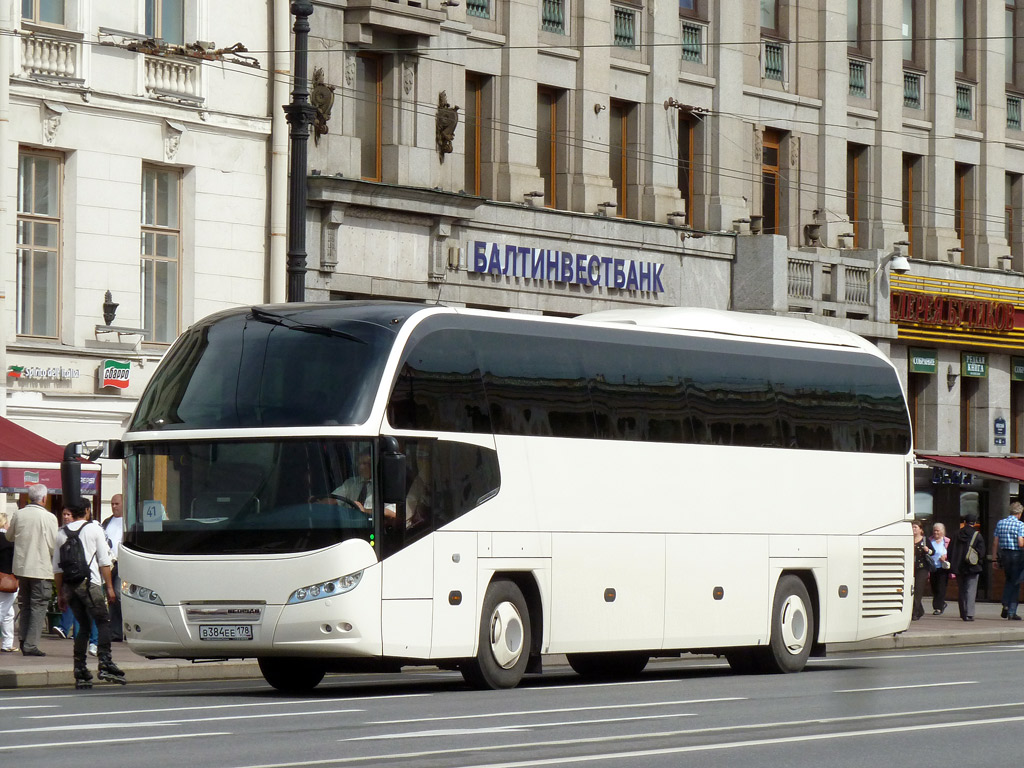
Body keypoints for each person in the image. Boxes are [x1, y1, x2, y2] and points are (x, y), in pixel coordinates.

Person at [53, 499, 125, 688]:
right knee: (103, 621)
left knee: (83, 626)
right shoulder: (94, 529)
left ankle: (80, 668)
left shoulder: (61, 533)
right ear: (86, 511)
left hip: (71, 586)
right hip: (90, 583)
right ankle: (105, 661)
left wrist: (61, 593)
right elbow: (104, 561)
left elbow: (57, 569)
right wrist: (109, 587)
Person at [4, 484, 57, 656]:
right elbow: (53, 545)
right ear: (43, 498)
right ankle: (31, 644)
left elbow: (9, 536)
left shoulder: (19, 514)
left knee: (25, 605)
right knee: (38, 606)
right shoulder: (49, 517)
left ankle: (24, 639)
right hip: (40, 569)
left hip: (21, 568)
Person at [949, 513, 986, 622]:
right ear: (974, 523)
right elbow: (981, 552)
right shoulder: (977, 535)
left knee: (961, 590)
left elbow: (950, 550)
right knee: (971, 589)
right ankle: (970, 613)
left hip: (958, 567)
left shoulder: (956, 534)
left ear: (964, 522)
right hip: (972, 567)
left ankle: (963, 612)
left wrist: (952, 563)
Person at [992, 500, 1024, 620]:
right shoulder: (1020, 525)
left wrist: (994, 558)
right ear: (1019, 513)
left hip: (1004, 554)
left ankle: (1005, 604)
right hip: (1016, 555)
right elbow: (1021, 543)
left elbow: (995, 542)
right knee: (1015, 583)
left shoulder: (1001, 523)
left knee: (1009, 580)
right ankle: (1011, 611)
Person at [102, 494, 124, 641]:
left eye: (117, 503)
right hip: (109, 564)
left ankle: (125, 628)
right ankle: (115, 632)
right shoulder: (107, 522)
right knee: (112, 598)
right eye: (112, 504)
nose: (114, 506)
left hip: (123, 563)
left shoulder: (129, 521)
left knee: (118, 593)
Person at [0, 511, 17, 653]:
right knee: (2, 609)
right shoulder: (9, 540)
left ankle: (7, 643)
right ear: (4, 523)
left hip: (3, 578)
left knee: (9, 612)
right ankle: (6, 643)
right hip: (6, 579)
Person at [911, 521, 933, 621]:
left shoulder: (925, 540)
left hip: (922, 568)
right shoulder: (908, 540)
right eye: (912, 527)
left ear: (921, 529)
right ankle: (920, 609)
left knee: (918, 590)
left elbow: (933, 552)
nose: (913, 529)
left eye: (915, 527)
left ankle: (914, 613)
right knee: (910, 590)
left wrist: (927, 550)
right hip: (911, 567)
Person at [928, 522, 951, 615]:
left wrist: (945, 557)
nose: (935, 532)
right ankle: (942, 603)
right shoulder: (929, 540)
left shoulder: (947, 541)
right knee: (934, 588)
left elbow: (952, 552)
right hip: (932, 567)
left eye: (937, 530)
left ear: (942, 531)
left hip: (943, 568)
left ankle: (938, 607)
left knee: (941, 588)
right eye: (934, 530)